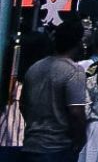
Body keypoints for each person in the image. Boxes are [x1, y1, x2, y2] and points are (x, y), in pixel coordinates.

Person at [22, 19, 89, 162]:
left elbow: (24, 105)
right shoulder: (74, 71)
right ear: (78, 43)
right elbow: (76, 113)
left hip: (31, 144)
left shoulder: (34, 68)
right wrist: (80, 139)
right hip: (58, 147)